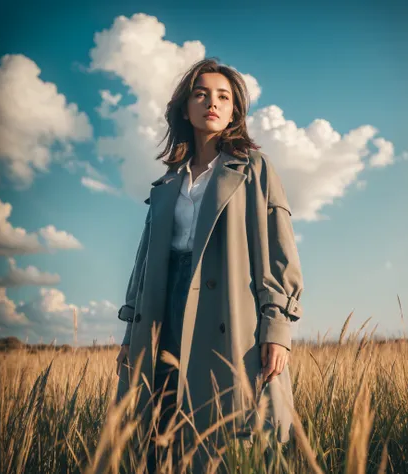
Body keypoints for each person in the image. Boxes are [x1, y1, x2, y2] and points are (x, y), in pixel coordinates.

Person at [115, 57, 304, 472]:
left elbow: (278, 252)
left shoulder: (253, 168)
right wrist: (131, 333)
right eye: (201, 95)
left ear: (235, 110)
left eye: (223, 97)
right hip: (164, 307)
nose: (212, 103)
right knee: (160, 427)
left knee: (230, 435)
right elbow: (143, 264)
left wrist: (277, 326)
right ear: (185, 108)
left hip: (228, 311)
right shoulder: (166, 183)